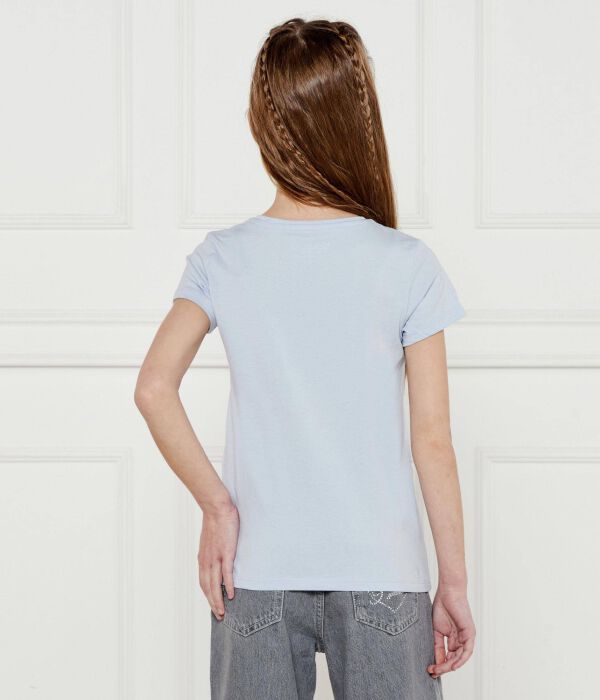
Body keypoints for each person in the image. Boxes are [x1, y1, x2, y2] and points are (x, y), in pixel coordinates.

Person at [135, 17, 475, 700]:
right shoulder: (407, 264)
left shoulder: (222, 258)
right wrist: (455, 583)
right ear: (358, 123)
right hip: (383, 576)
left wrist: (217, 507)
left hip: (257, 574)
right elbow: (432, 440)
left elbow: (153, 388)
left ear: (260, 124)